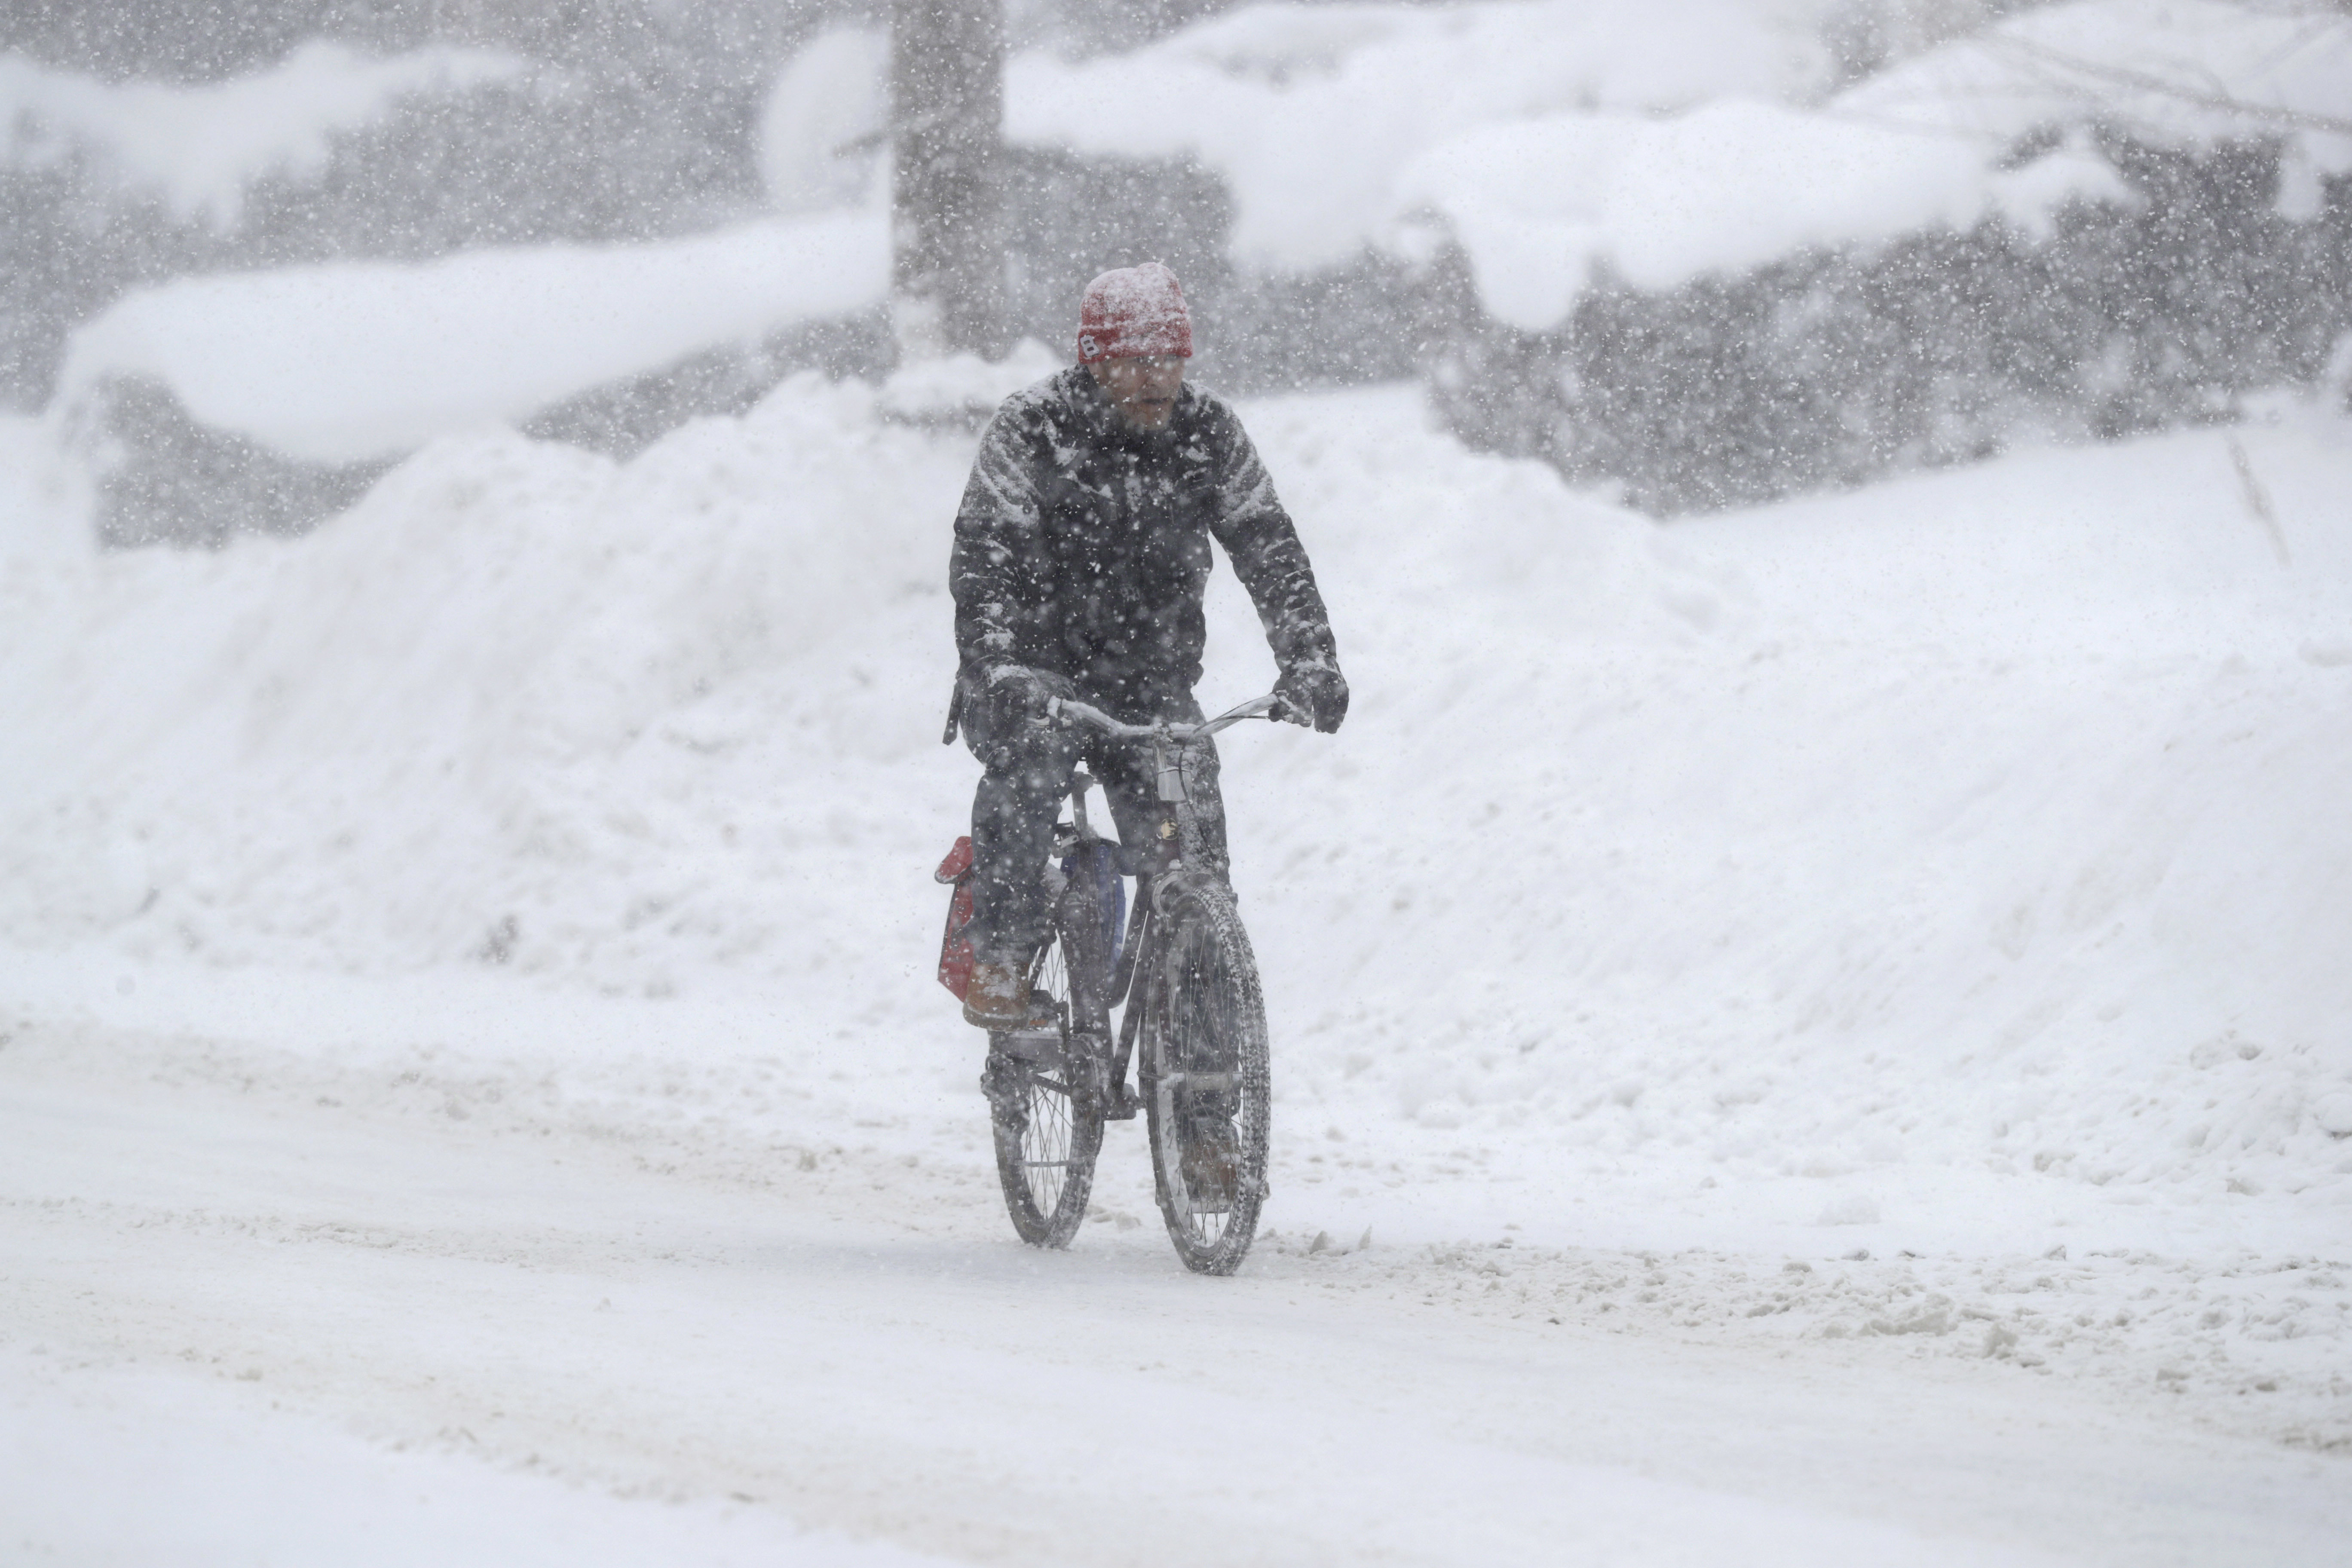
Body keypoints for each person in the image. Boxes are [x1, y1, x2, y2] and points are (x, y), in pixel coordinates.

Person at [945, 261, 1348, 1027]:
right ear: (1092, 359)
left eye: (1169, 358)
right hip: (1036, 677)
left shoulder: (1208, 434)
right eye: (1133, 361)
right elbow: (983, 560)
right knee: (1027, 776)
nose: (1154, 378)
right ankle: (999, 958)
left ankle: (1202, 1101)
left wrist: (1311, 658)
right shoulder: (1031, 429)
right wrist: (997, 668)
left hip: (1150, 682)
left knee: (1192, 860)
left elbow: (1269, 546)